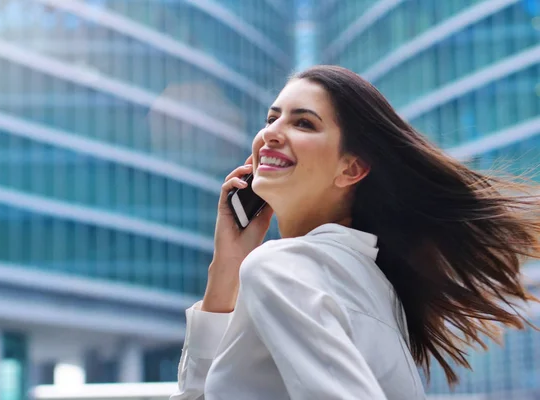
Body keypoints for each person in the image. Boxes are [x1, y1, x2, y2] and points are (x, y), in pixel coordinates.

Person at [170, 65, 540, 400]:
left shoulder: (281, 269)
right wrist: (227, 267)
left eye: (303, 123)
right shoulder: (367, 281)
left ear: (351, 169)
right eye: (271, 118)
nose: (271, 133)